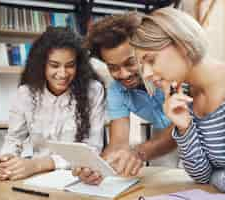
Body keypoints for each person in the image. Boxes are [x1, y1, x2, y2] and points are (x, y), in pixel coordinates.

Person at [130, 7, 225, 199]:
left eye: (151, 60)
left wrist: (212, 175)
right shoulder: (186, 94)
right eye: (141, 65)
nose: (145, 73)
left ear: (183, 45)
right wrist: (184, 128)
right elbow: (199, 175)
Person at [0, 27, 106, 185]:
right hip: (34, 178)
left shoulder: (93, 90)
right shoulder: (26, 93)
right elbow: (14, 139)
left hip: (78, 179)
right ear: (41, 64)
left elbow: (93, 149)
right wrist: (5, 161)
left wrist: (38, 164)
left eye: (70, 65)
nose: (63, 73)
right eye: (54, 65)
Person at [74, 13, 178, 183]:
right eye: (113, 67)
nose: (123, 74)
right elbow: (118, 143)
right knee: (163, 182)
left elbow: (181, 128)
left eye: (130, 63)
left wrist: (137, 152)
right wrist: (98, 167)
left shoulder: (168, 73)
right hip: (161, 134)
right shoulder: (116, 91)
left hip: (195, 129)